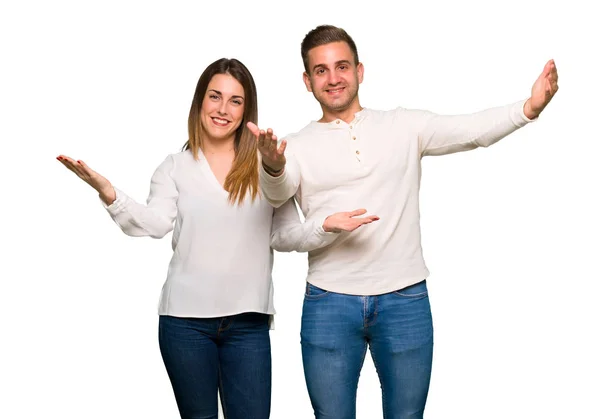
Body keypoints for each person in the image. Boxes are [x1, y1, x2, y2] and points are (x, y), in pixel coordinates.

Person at [250, 25, 559, 419]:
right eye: (322, 71)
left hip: (404, 299)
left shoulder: (403, 125)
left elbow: (469, 130)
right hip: (329, 302)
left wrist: (527, 109)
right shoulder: (294, 146)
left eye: (341, 66)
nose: (333, 78)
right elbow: (278, 195)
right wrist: (273, 166)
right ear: (307, 80)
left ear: (360, 71)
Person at [56, 57, 379, 419]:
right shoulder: (175, 167)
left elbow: (284, 235)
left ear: (246, 110)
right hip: (184, 323)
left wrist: (324, 226)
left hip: (248, 323)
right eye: (215, 97)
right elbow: (154, 223)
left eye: (235, 101)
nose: (223, 109)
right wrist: (109, 192)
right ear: (200, 102)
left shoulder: (266, 165)